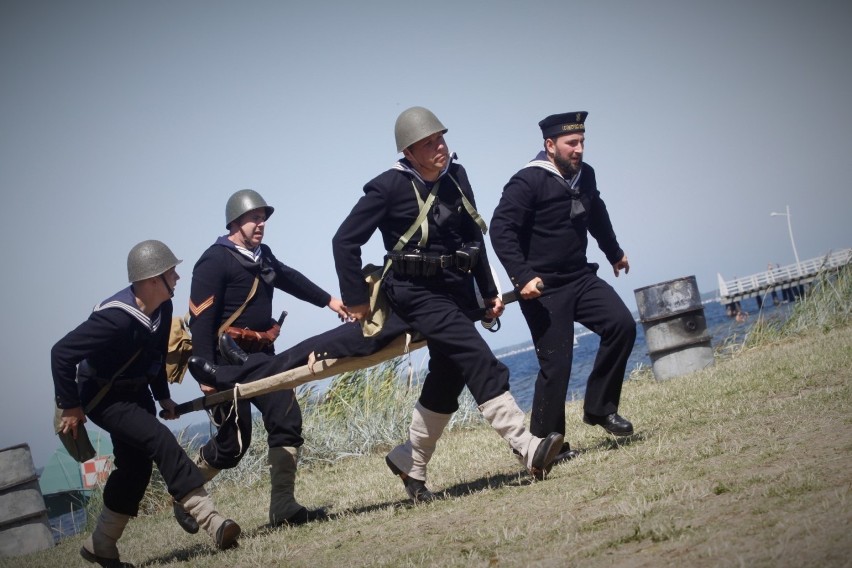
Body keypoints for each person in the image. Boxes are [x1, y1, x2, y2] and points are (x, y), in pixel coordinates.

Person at [331, 106, 564, 502]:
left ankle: (410, 461)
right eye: (428, 143)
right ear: (409, 152)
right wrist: (355, 300)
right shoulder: (386, 187)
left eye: (441, 138)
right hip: (413, 292)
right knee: (476, 357)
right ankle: (525, 446)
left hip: (454, 289)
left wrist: (488, 289)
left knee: (449, 373)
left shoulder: (457, 175)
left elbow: (474, 234)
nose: (439, 146)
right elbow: (344, 241)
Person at [51, 240, 240, 567]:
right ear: (153, 279)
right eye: (172, 272)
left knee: (135, 469)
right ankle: (212, 520)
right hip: (103, 398)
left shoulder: (162, 308)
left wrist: (163, 396)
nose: (178, 278)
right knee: (160, 440)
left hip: (136, 393)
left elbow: (153, 357)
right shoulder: (115, 318)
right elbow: (62, 354)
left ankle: (101, 545)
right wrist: (70, 405)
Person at [176, 189, 348, 531]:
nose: (261, 224)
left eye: (263, 218)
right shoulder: (214, 260)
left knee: (287, 420)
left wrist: (329, 300)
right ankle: (184, 494)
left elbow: (289, 278)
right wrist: (204, 372)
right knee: (232, 445)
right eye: (254, 218)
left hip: (262, 356)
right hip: (223, 364)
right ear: (235, 222)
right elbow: (202, 320)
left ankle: (283, 507)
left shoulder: (262, 255)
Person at [490, 111, 637, 448]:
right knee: (556, 364)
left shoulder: (585, 176)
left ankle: (600, 408)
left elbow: (596, 214)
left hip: (580, 277)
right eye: (572, 143)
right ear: (550, 145)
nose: (579, 149)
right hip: (542, 289)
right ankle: (546, 445)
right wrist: (522, 277)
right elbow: (501, 230)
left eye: (582, 142)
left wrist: (614, 252)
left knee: (621, 325)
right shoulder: (527, 181)